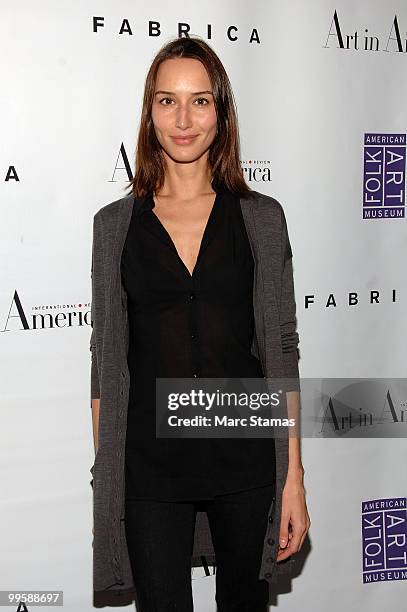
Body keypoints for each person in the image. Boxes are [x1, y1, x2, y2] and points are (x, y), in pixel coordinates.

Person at [90, 36, 310, 611]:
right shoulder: (114, 226)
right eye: (167, 101)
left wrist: (293, 478)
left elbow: (279, 352)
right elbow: (108, 364)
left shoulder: (260, 219)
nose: (183, 119)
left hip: (246, 460)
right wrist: (107, 479)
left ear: (222, 111)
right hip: (150, 469)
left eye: (200, 101)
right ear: (149, 112)